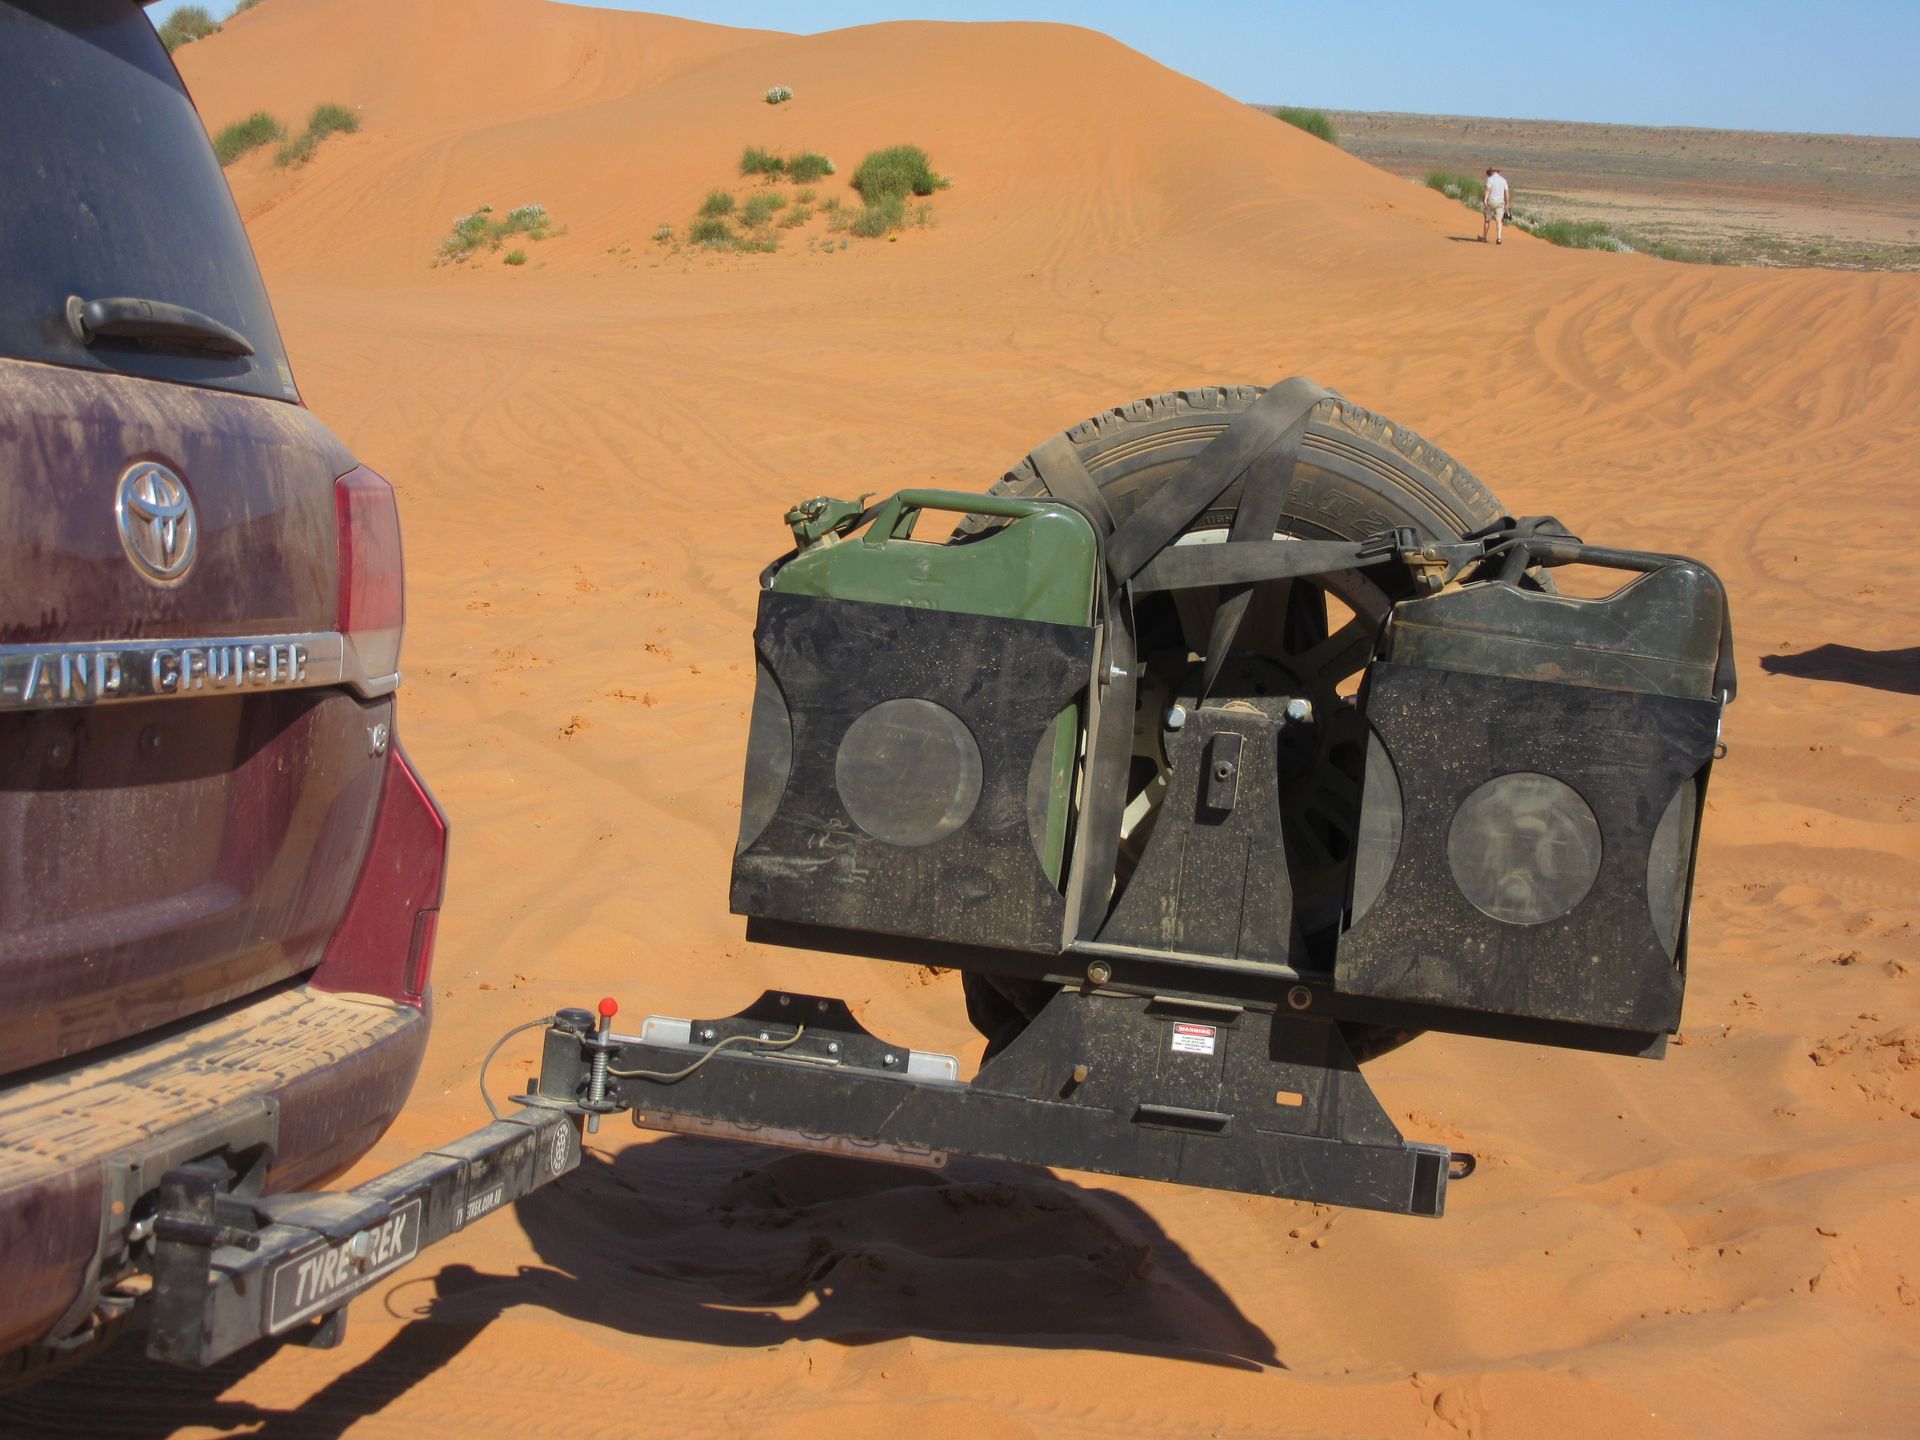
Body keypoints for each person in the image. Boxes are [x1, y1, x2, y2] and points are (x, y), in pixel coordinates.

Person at [1482, 167, 1510, 244]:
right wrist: (1508, 203)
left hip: (1491, 201)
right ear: (1498, 172)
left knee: (1487, 220)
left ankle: (1484, 237)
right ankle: (1499, 238)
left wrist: (1485, 199)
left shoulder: (1490, 179)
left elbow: (1488, 190)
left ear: (1492, 172)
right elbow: (1507, 192)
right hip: (1500, 202)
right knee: (1499, 221)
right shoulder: (1503, 180)